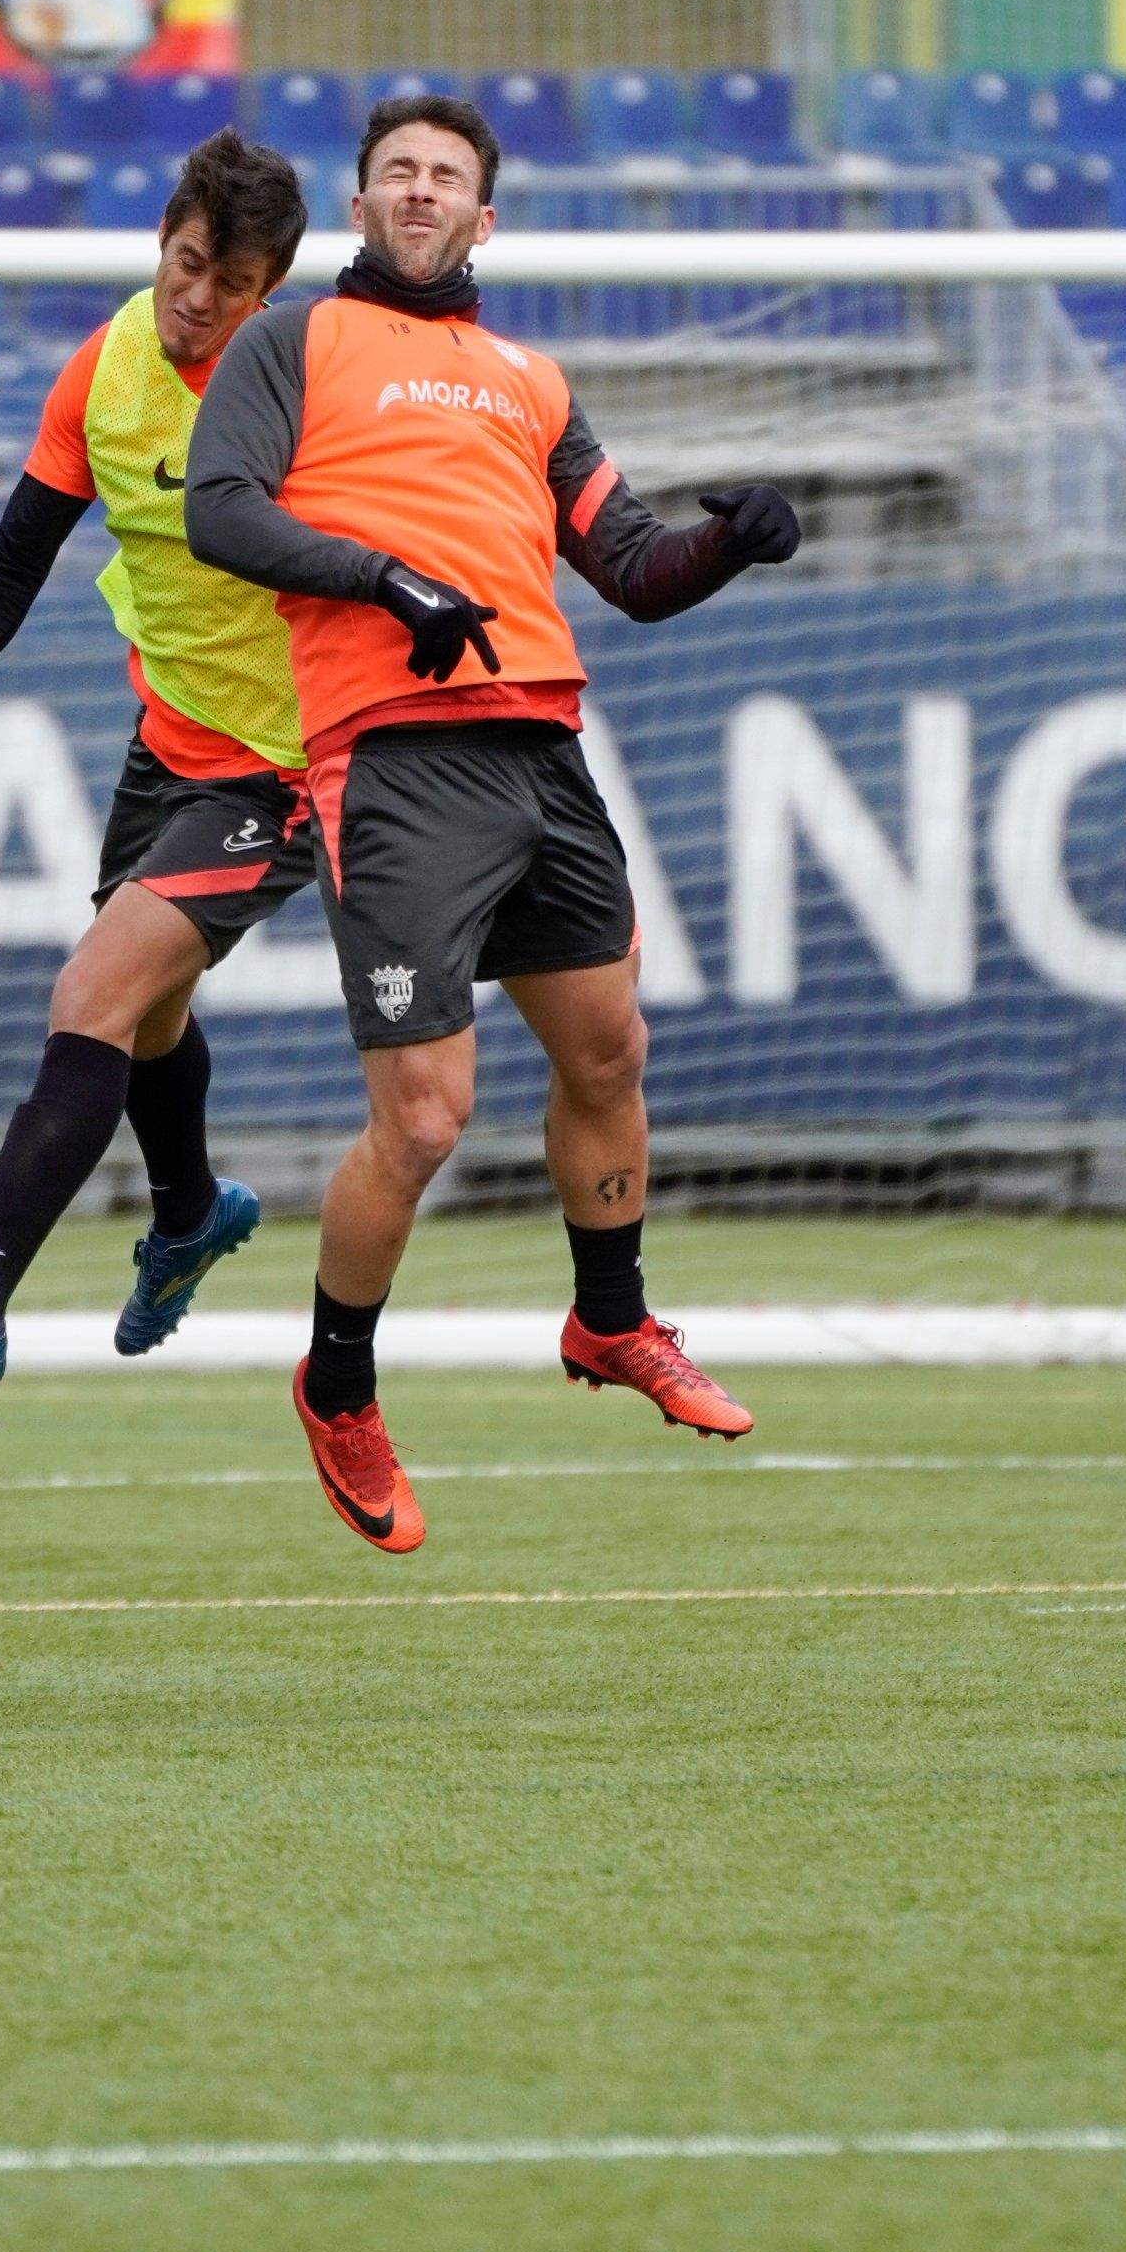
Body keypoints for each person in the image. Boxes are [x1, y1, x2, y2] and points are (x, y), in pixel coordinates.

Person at [181, 91, 803, 1553]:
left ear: (484, 216)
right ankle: (338, 1385)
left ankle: (612, 1318)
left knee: (611, 1045)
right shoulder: (296, 338)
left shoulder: (529, 376)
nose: (417, 189)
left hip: (540, 741)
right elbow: (221, 511)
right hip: (394, 760)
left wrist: (736, 540)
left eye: (444, 174)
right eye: (394, 170)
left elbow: (633, 563)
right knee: (427, 1114)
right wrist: (385, 580)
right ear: (358, 204)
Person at [0, 130, 314, 1394]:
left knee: (92, 994)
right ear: (163, 238)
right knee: (147, 1015)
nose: (199, 299)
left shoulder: (308, 386)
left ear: (271, 295)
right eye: (189, 262)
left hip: (290, 761)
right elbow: (10, 560)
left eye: (234, 284)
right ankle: (192, 1209)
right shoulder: (105, 367)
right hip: (170, 743)